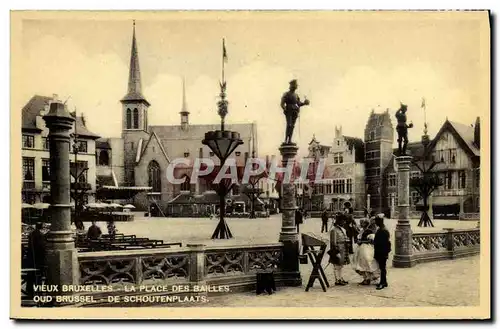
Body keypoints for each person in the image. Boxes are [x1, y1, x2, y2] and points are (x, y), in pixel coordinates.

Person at [280, 79, 310, 144]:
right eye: (295, 85)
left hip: (295, 112)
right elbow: (282, 103)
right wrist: (285, 109)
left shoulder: (296, 95)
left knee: (292, 126)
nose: (296, 86)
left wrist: (305, 103)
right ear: (292, 85)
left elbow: (298, 103)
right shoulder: (286, 94)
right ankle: (285, 140)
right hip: (289, 111)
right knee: (289, 125)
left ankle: (289, 140)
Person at [352, 219, 379, 285]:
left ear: (366, 224)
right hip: (360, 249)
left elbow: (371, 241)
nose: (361, 224)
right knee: (361, 263)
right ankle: (366, 278)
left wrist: (362, 241)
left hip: (366, 248)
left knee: (367, 262)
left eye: (362, 223)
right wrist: (358, 241)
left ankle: (370, 278)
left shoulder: (369, 231)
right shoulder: (361, 230)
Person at [328, 214, 350, 286]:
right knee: (336, 265)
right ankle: (337, 280)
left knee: (340, 265)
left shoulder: (342, 229)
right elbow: (333, 243)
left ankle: (340, 278)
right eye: (343, 221)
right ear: (339, 221)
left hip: (343, 249)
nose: (344, 222)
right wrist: (336, 252)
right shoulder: (334, 230)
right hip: (338, 250)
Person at [25, 223, 46, 296]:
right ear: (42, 227)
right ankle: (39, 291)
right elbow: (42, 247)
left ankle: (29, 290)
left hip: (31, 257)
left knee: (30, 275)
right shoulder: (40, 235)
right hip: (38, 258)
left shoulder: (31, 234)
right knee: (38, 275)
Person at [373, 214, 391, 290]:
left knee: (382, 268)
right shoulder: (381, 229)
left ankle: (382, 283)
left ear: (380, 221)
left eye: (376, 221)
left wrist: (385, 253)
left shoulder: (383, 230)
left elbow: (386, 243)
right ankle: (384, 282)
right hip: (380, 251)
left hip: (382, 252)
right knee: (382, 268)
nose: (375, 223)